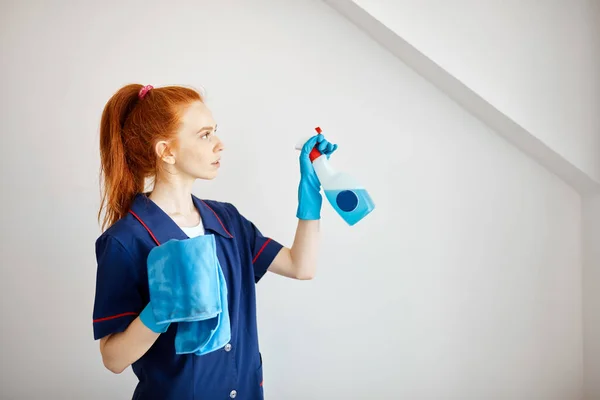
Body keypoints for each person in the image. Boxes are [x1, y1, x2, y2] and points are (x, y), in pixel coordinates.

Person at [91, 83, 337, 400]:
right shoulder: (126, 240)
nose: (220, 144)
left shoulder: (228, 221)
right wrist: (158, 313)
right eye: (205, 135)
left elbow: (300, 266)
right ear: (166, 150)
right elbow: (113, 359)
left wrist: (310, 199)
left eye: (215, 132)